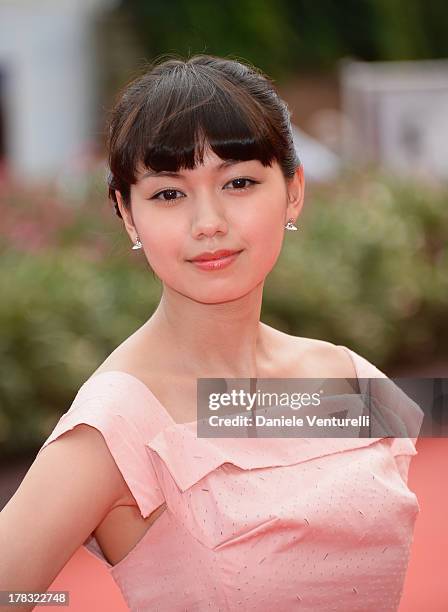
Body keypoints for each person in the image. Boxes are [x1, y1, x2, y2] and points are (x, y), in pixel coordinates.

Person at [0, 55, 421, 612]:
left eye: (239, 182)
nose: (208, 223)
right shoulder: (119, 422)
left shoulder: (350, 378)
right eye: (169, 193)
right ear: (128, 214)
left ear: (293, 191)